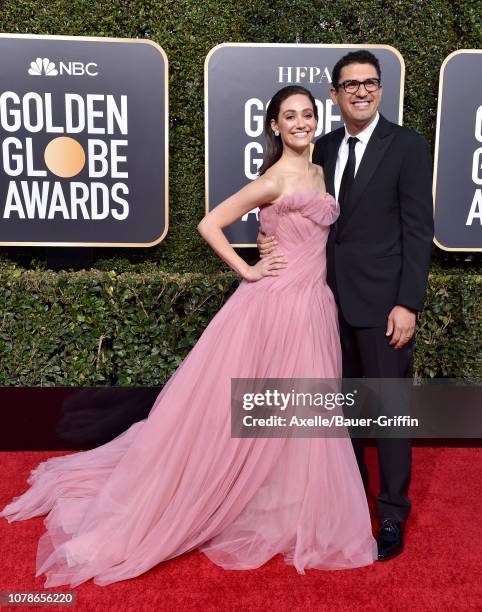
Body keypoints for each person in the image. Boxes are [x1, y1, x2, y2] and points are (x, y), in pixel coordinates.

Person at [0, 85, 376, 588]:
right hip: (275, 307)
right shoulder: (273, 178)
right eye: (291, 116)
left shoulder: (320, 170)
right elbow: (210, 223)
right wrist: (248, 268)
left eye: (308, 114)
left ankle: (281, 502)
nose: (302, 123)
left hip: (314, 305)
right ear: (275, 126)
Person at [259, 51, 434, 561]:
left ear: (380, 90)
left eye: (370, 83)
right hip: (322, 302)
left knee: (389, 413)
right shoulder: (323, 147)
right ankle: (350, 502)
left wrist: (407, 302)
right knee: (340, 413)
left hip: (382, 307)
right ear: (334, 94)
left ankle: (391, 513)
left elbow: (418, 230)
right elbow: (290, 209)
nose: (361, 91)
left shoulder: (407, 145)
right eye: (349, 84)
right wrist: (268, 242)